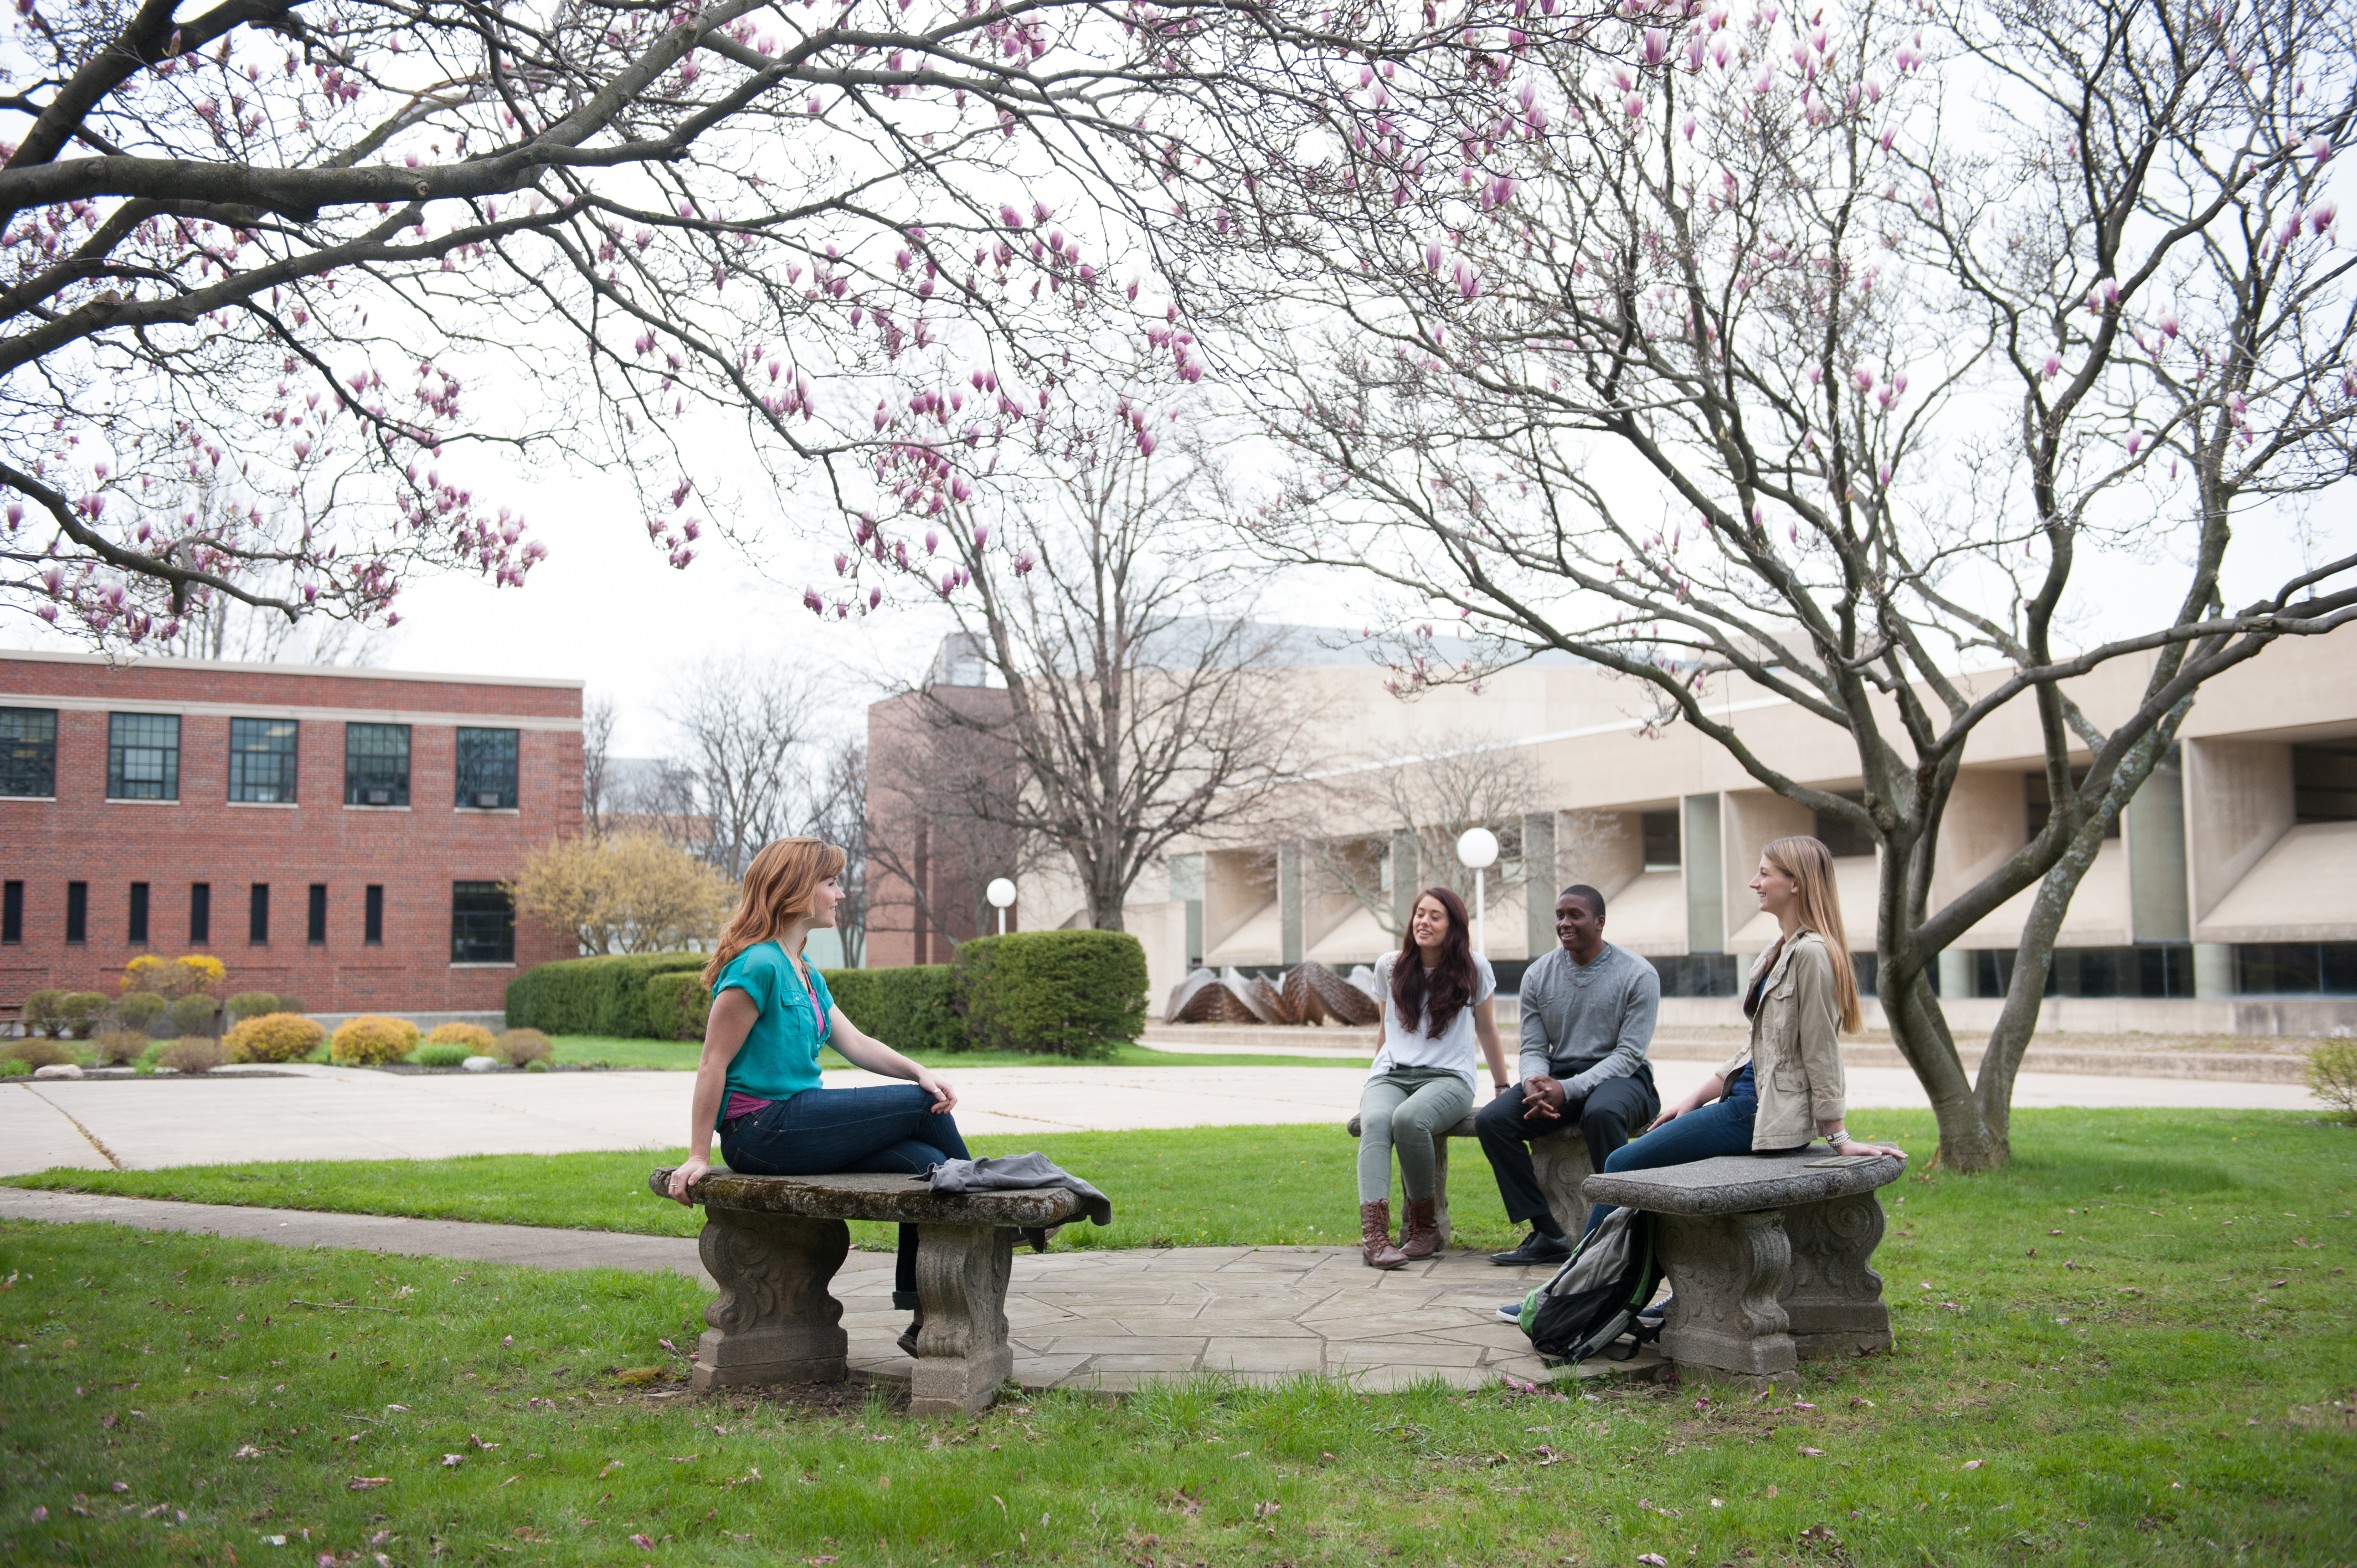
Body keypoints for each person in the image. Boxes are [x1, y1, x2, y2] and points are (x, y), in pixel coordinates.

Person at [665, 837, 965, 1357]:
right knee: (922, 1111)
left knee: (931, 1163)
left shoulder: (805, 971)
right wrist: (698, 1156)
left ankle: (922, 1318)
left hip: (798, 1123)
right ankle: (991, 1206)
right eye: (830, 883)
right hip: (761, 1131)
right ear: (797, 890)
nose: (840, 894)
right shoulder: (756, 966)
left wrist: (920, 1071)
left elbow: (855, 1044)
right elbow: (712, 1063)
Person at [1581, 834, 1905, 1237]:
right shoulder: (1781, 949)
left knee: (1620, 1166)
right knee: (1641, 1176)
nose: (1754, 882)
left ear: (1796, 883)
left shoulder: (1811, 954)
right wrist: (1697, 1097)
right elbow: (1759, 1045)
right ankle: (1612, 1289)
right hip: (1743, 1104)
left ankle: (1570, 1294)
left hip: (1756, 1114)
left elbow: (1822, 1049)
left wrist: (1839, 1137)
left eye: (1764, 874)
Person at [1478, 883, 1663, 1267]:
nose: (1565, 923)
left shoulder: (1638, 974)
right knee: (1493, 1120)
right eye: (1560, 915)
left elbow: (1629, 1055)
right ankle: (1547, 1233)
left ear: (1599, 923)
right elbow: (1532, 1048)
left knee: (1603, 1113)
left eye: (1574, 915)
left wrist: (1569, 1089)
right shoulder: (1538, 975)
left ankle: (1619, 1233)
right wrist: (1533, 1084)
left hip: (1623, 1080)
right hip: (1557, 1078)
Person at [1356, 886, 1509, 1268]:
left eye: (1435, 916)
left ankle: (1425, 1227)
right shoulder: (1390, 966)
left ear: (1453, 925)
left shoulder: (1474, 968)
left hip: (1449, 1078)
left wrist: (1503, 1086)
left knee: (1409, 1120)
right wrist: (1373, 1079)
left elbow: (1487, 1030)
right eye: (1419, 913)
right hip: (1392, 1075)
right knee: (1375, 1120)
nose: (1424, 921)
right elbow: (1384, 1028)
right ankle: (1375, 1238)